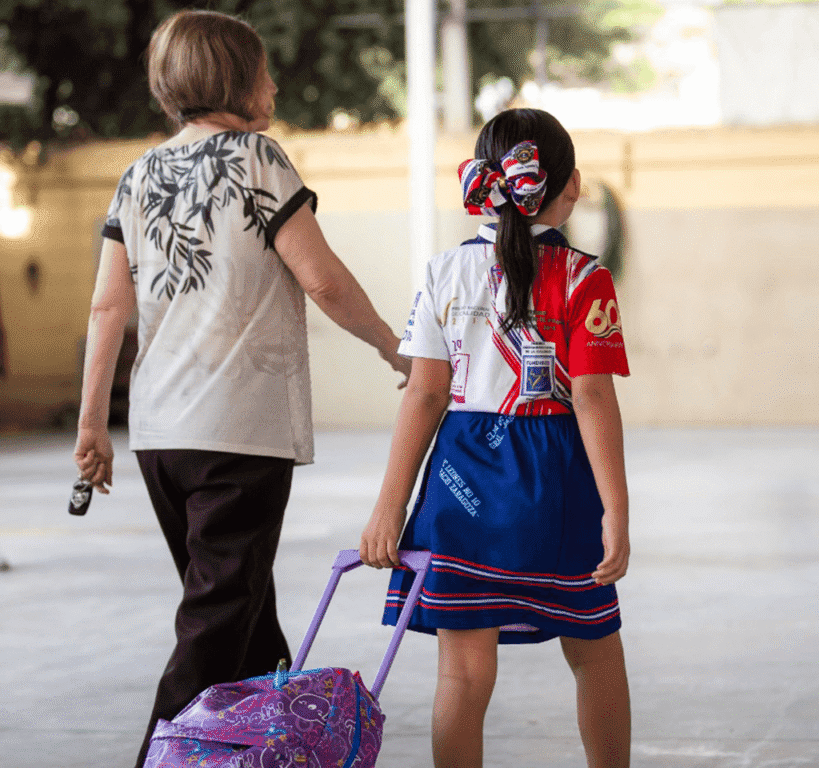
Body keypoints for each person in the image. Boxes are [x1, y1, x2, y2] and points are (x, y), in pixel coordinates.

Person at [71, 10, 410, 768]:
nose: (276, 85)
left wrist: (94, 424)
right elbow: (320, 278)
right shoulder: (259, 159)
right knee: (216, 625)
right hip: (238, 433)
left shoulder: (138, 175)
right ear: (234, 81)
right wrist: (397, 346)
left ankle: (279, 751)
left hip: (161, 436)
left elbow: (106, 308)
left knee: (246, 626)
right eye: (265, 73)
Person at [360, 108, 632, 768]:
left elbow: (424, 395)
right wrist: (618, 512)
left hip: (461, 480)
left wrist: (388, 507)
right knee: (595, 654)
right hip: (555, 481)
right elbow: (592, 397)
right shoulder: (584, 278)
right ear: (567, 189)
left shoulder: (443, 273)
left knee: (462, 675)